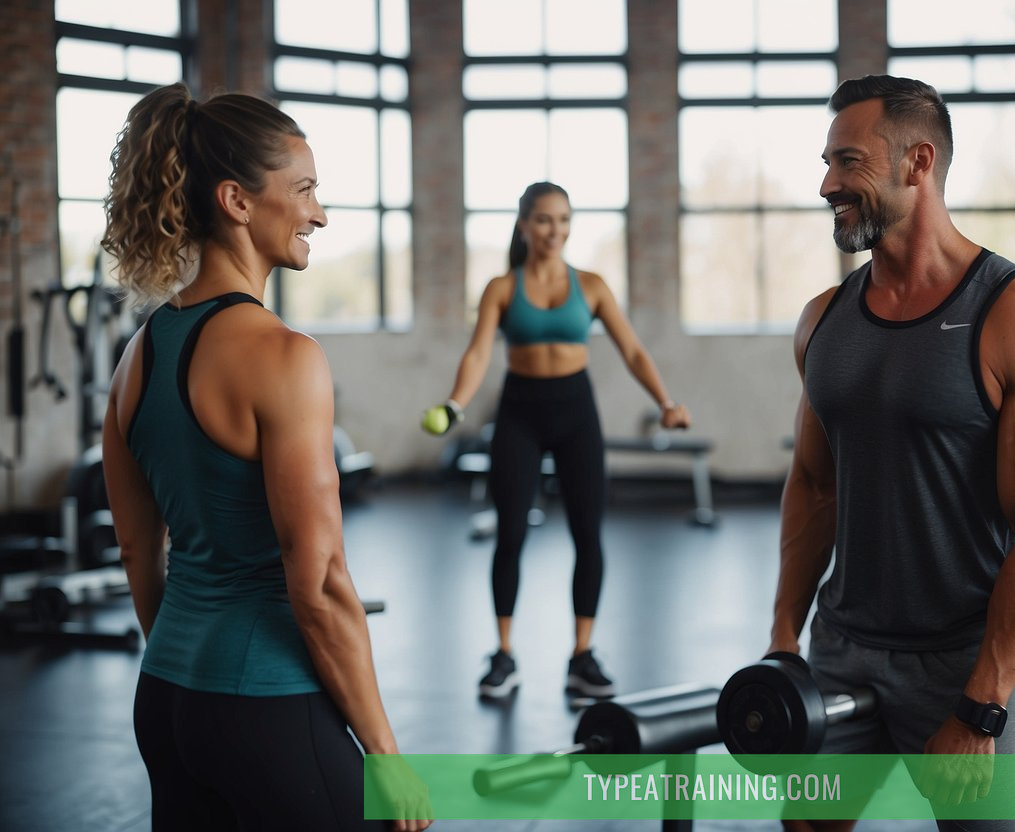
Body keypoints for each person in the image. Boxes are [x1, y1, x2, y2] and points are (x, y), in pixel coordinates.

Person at [767, 76, 1015, 831]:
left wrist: (982, 705)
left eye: (845, 162)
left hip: (966, 658)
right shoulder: (823, 321)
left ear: (917, 163)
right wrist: (784, 636)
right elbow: (815, 485)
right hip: (840, 647)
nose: (826, 184)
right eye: (825, 162)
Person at [100, 82, 430, 831]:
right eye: (305, 189)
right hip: (268, 710)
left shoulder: (136, 358)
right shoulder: (285, 357)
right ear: (238, 201)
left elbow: (134, 546)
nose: (317, 212)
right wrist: (385, 752)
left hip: (167, 701)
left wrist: (190, 667)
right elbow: (316, 580)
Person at [423, 181, 691, 699]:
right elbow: (479, 354)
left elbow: (632, 350)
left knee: (588, 535)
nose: (555, 230)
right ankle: (503, 655)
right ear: (524, 224)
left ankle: (582, 655)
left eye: (564, 220)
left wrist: (665, 402)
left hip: (575, 413)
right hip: (519, 413)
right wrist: (455, 403)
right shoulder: (502, 287)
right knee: (511, 535)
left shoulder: (590, 285)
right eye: (545, 219)